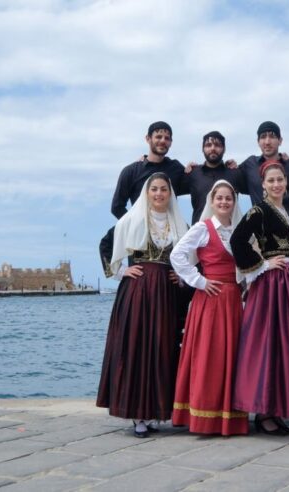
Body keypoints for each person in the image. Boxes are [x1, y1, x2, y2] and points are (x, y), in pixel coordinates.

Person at [97, 173, 189, 438]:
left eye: (163, 190)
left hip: (166, 293)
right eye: (154, 190)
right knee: (137, 347)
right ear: (147, 193)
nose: (159, 194)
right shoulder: (133, 218)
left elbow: (192, 253)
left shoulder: (179, 222)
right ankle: (137, 413)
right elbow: (105, 244)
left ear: (170, 194)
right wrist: (120, 273)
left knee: (161, 347)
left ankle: (156, 411)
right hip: (137, 292)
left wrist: (181, 275)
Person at [169, 180, 249, 436]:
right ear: (212, 202)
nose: (224, 202)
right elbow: (177, 255)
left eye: (229, 198)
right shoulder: (202, 229)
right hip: (211, 300)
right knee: (209, 357)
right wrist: (200, 281)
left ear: (234, 202)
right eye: (220, 198)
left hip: (234, 301)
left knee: (231, 357)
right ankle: (204, 417)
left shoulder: (238, 230)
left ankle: (229, 418)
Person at [230, 161, 289, 434]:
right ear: (263, 184)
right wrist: (262, 265)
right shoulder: (259, 210)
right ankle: (263, 412)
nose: (276, 185)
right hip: (272, 285)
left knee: (286, 345)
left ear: (286, 183)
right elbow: (237, 240)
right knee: (268, 345)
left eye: (280, 180)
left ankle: (276, 409)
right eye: (270, 181)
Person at [110, 121, 188, 219]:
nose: (163, 141)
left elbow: (200, 185)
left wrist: (193, 168)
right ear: (148, 138)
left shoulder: (176, 168)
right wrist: (133, 226)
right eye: (158, 137)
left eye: (167, 138)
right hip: (140, 231)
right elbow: (117, 207)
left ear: (170, 143)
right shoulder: (131, 171)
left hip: (169, 230)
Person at [238, 121, 289, 223]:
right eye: (263, 137)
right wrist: (229, 164)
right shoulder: (250, 164)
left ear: (280, 141)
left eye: (272, 137)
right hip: (261, 232)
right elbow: (230, 177)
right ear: (258, 141)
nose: (267, 142)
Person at [185, 131, 244, 223]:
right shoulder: (193, 173)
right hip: (199, 233)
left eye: (217, 145)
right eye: (208, 145)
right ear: (203, 149)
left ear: (224, 149)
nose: (213, 148)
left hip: (229, 233)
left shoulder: (235, 173)